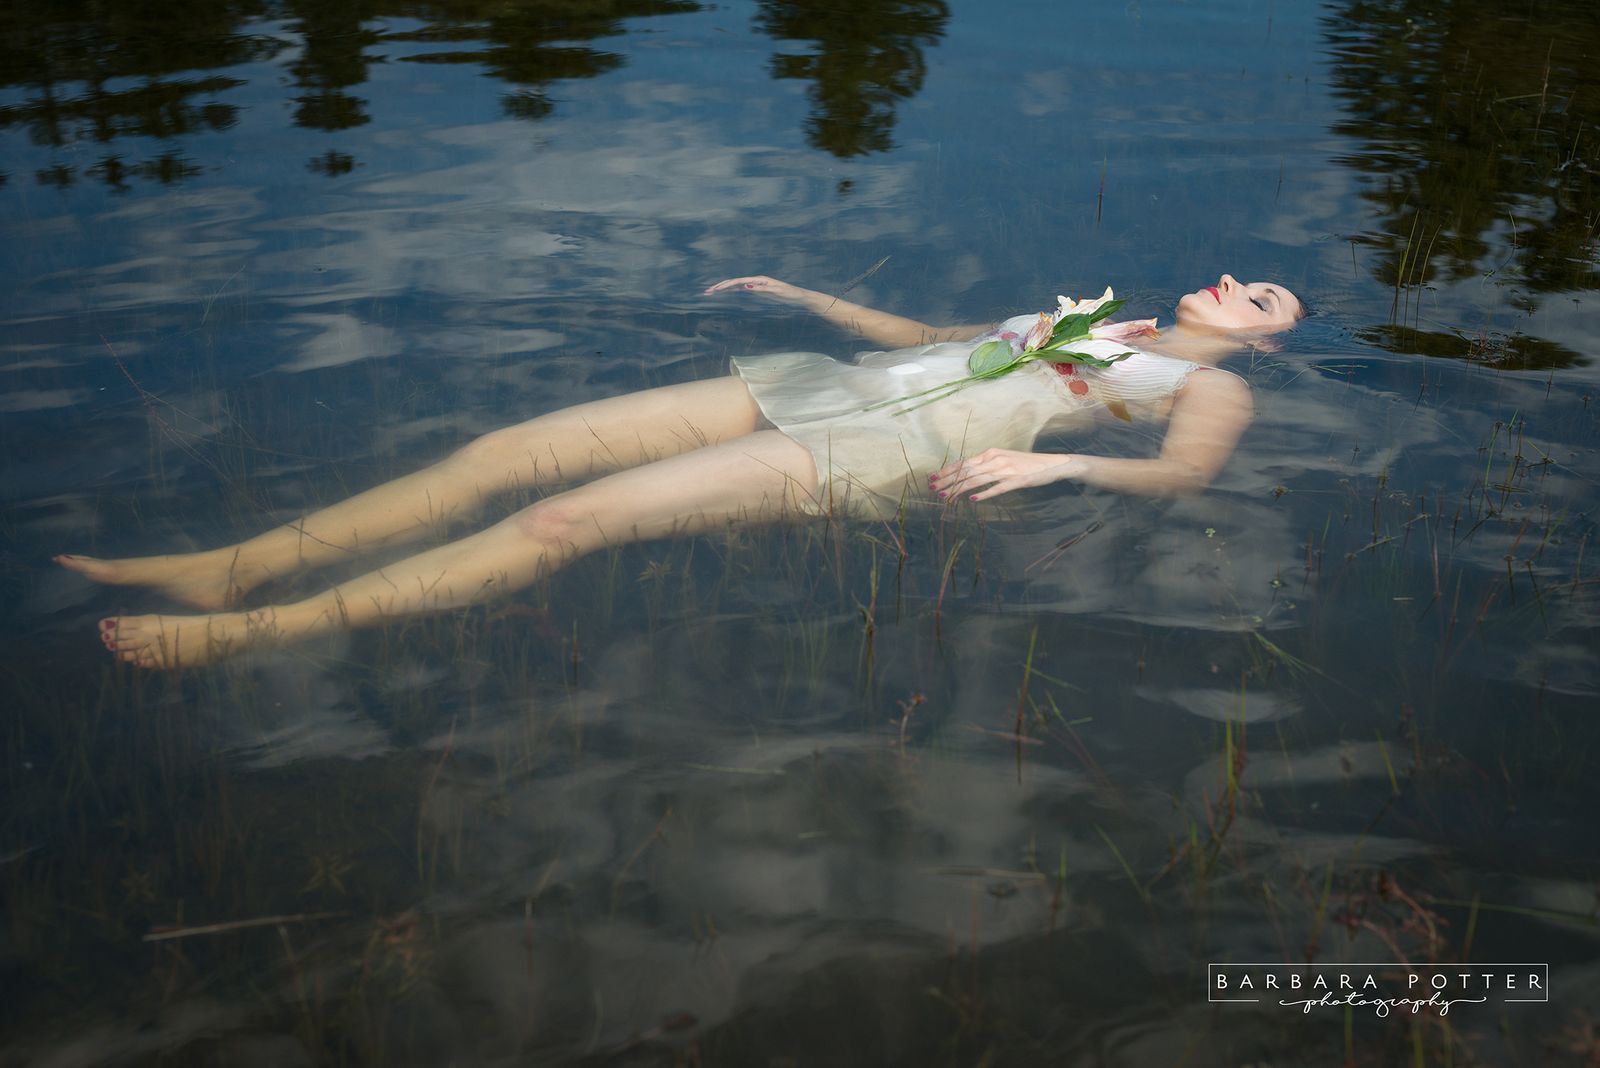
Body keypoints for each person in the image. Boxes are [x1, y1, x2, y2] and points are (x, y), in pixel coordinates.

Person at [56, 272, 1304, 669]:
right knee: (500, 452)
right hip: (821, 385)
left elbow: (1182, 482)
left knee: (561, 520)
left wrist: (1055, 474)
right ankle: (233, 565)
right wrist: (802, 297)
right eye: (1242, 277)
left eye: (1261, 299)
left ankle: (259, 630)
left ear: (1265, 343)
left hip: (883, 449)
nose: (1233, 286)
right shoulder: (1102, 320)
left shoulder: (1208, 387)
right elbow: (928, 338)